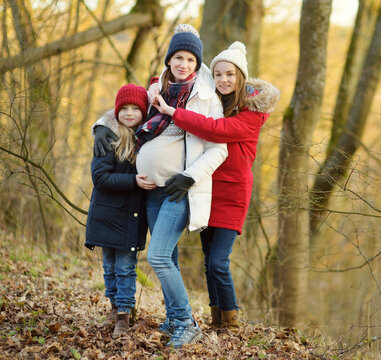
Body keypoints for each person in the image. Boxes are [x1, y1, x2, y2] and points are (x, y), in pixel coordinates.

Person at [93, 25, 227, 348]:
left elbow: (219, 148)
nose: (183, 64)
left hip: (179, 190)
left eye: (190, 60)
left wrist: (189, 176)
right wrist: (101, 125)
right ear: (169, 60)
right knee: (171, 256)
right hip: (151, 191)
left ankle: (185, 320)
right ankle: (172, 318)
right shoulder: (159, 90)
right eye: (178, 57)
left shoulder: (206, 97)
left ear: (197, 64)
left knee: (158, 256)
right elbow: (126, 111)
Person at [152, 41, 280, 332]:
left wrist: (174, 112)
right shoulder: (215, 101)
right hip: (206, 189)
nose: (223, 80)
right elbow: (174, 79)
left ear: (241, 78)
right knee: (209, 262)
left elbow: (216, 130)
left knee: (220, 262)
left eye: (230, 75)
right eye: (219, 74)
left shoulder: (252, 115)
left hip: (233, 193)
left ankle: (231, 321)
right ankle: (217, 320)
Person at [85, 84, 156, 337]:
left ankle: (124, 315)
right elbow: (100, 178)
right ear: (116, 112)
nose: (128, 113)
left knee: (126, 267)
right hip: (106, 215)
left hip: (131, 217)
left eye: (134, 108)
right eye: (123, 108)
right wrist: (133, 181)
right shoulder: (108, 138)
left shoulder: (148, 138)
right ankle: (114, 307)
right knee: (109, 266)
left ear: (143, 112)